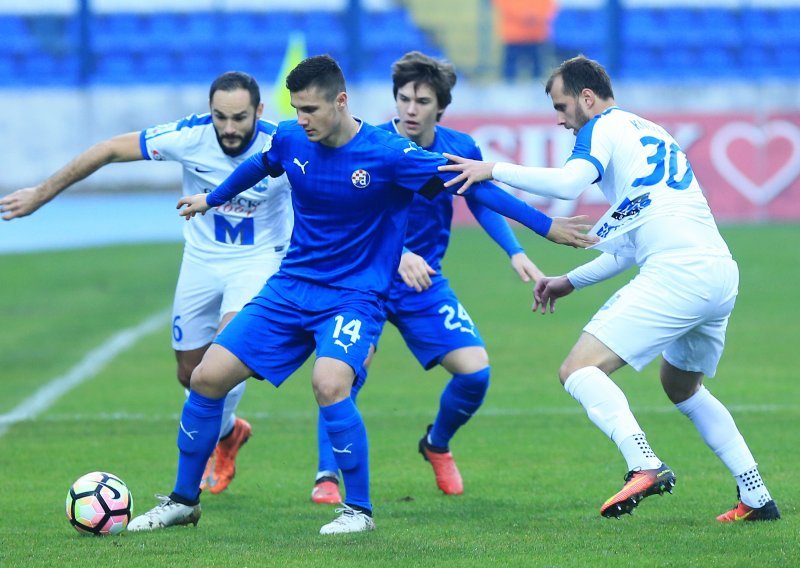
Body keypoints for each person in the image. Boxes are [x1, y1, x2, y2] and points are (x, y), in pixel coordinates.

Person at [126, 54, 596, 536]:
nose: (300, 119)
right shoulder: (289, 137)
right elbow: (260, 166)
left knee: (331, 383)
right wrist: (212, 198)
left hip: (353, 297)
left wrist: (545, 226)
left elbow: (471, 187)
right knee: (206, 377)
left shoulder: (389, 154)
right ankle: (184, 501)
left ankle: (358, 510)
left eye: (310, 109)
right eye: (297, 108)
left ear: (341, 101)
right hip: (291, 288)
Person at [440, 55, 780, 522]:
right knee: (682, 386)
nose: (559, 120)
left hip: (679, 272)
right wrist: (568, 282)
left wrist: (491, 168)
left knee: (577, 369)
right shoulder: (649, 134)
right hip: (719, 272)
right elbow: (626, 250)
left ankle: (644, 463)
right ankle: (757, 495)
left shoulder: (600, 128)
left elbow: (566, 184)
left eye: (562, 107)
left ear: (586, 98)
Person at [0, 71, 292, 496]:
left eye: (239, 118)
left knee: (224, 356)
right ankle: (228, 432)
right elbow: (108, 150)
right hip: (201, 262)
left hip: (257, 263)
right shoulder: (191, 136)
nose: (229, 128)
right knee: (190, 374)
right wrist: (42, 194)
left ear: (259, 111)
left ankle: (203, 463)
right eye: (220, 117)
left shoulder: (280, 145)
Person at [310, 51, 545, 505]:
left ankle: (436, 444)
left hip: (423, 284)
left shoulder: (460, 148)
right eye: (403, 98)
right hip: (366, 279)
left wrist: (515, 251)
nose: (410, 108)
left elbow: (479, 200)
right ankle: (327, 474)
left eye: (421, 100)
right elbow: (349, 218)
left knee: (475, 375)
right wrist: (400, 254)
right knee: (344, 375)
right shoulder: (370, 143)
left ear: (441, 106)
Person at [494, 0, 558, 82]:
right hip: (513, 36)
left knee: (537, 68)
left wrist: (535, 15)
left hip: (535, 35)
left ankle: (536, 89)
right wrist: (524, 14)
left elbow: (550, 7)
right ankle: (508, 90)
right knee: (510, 70)